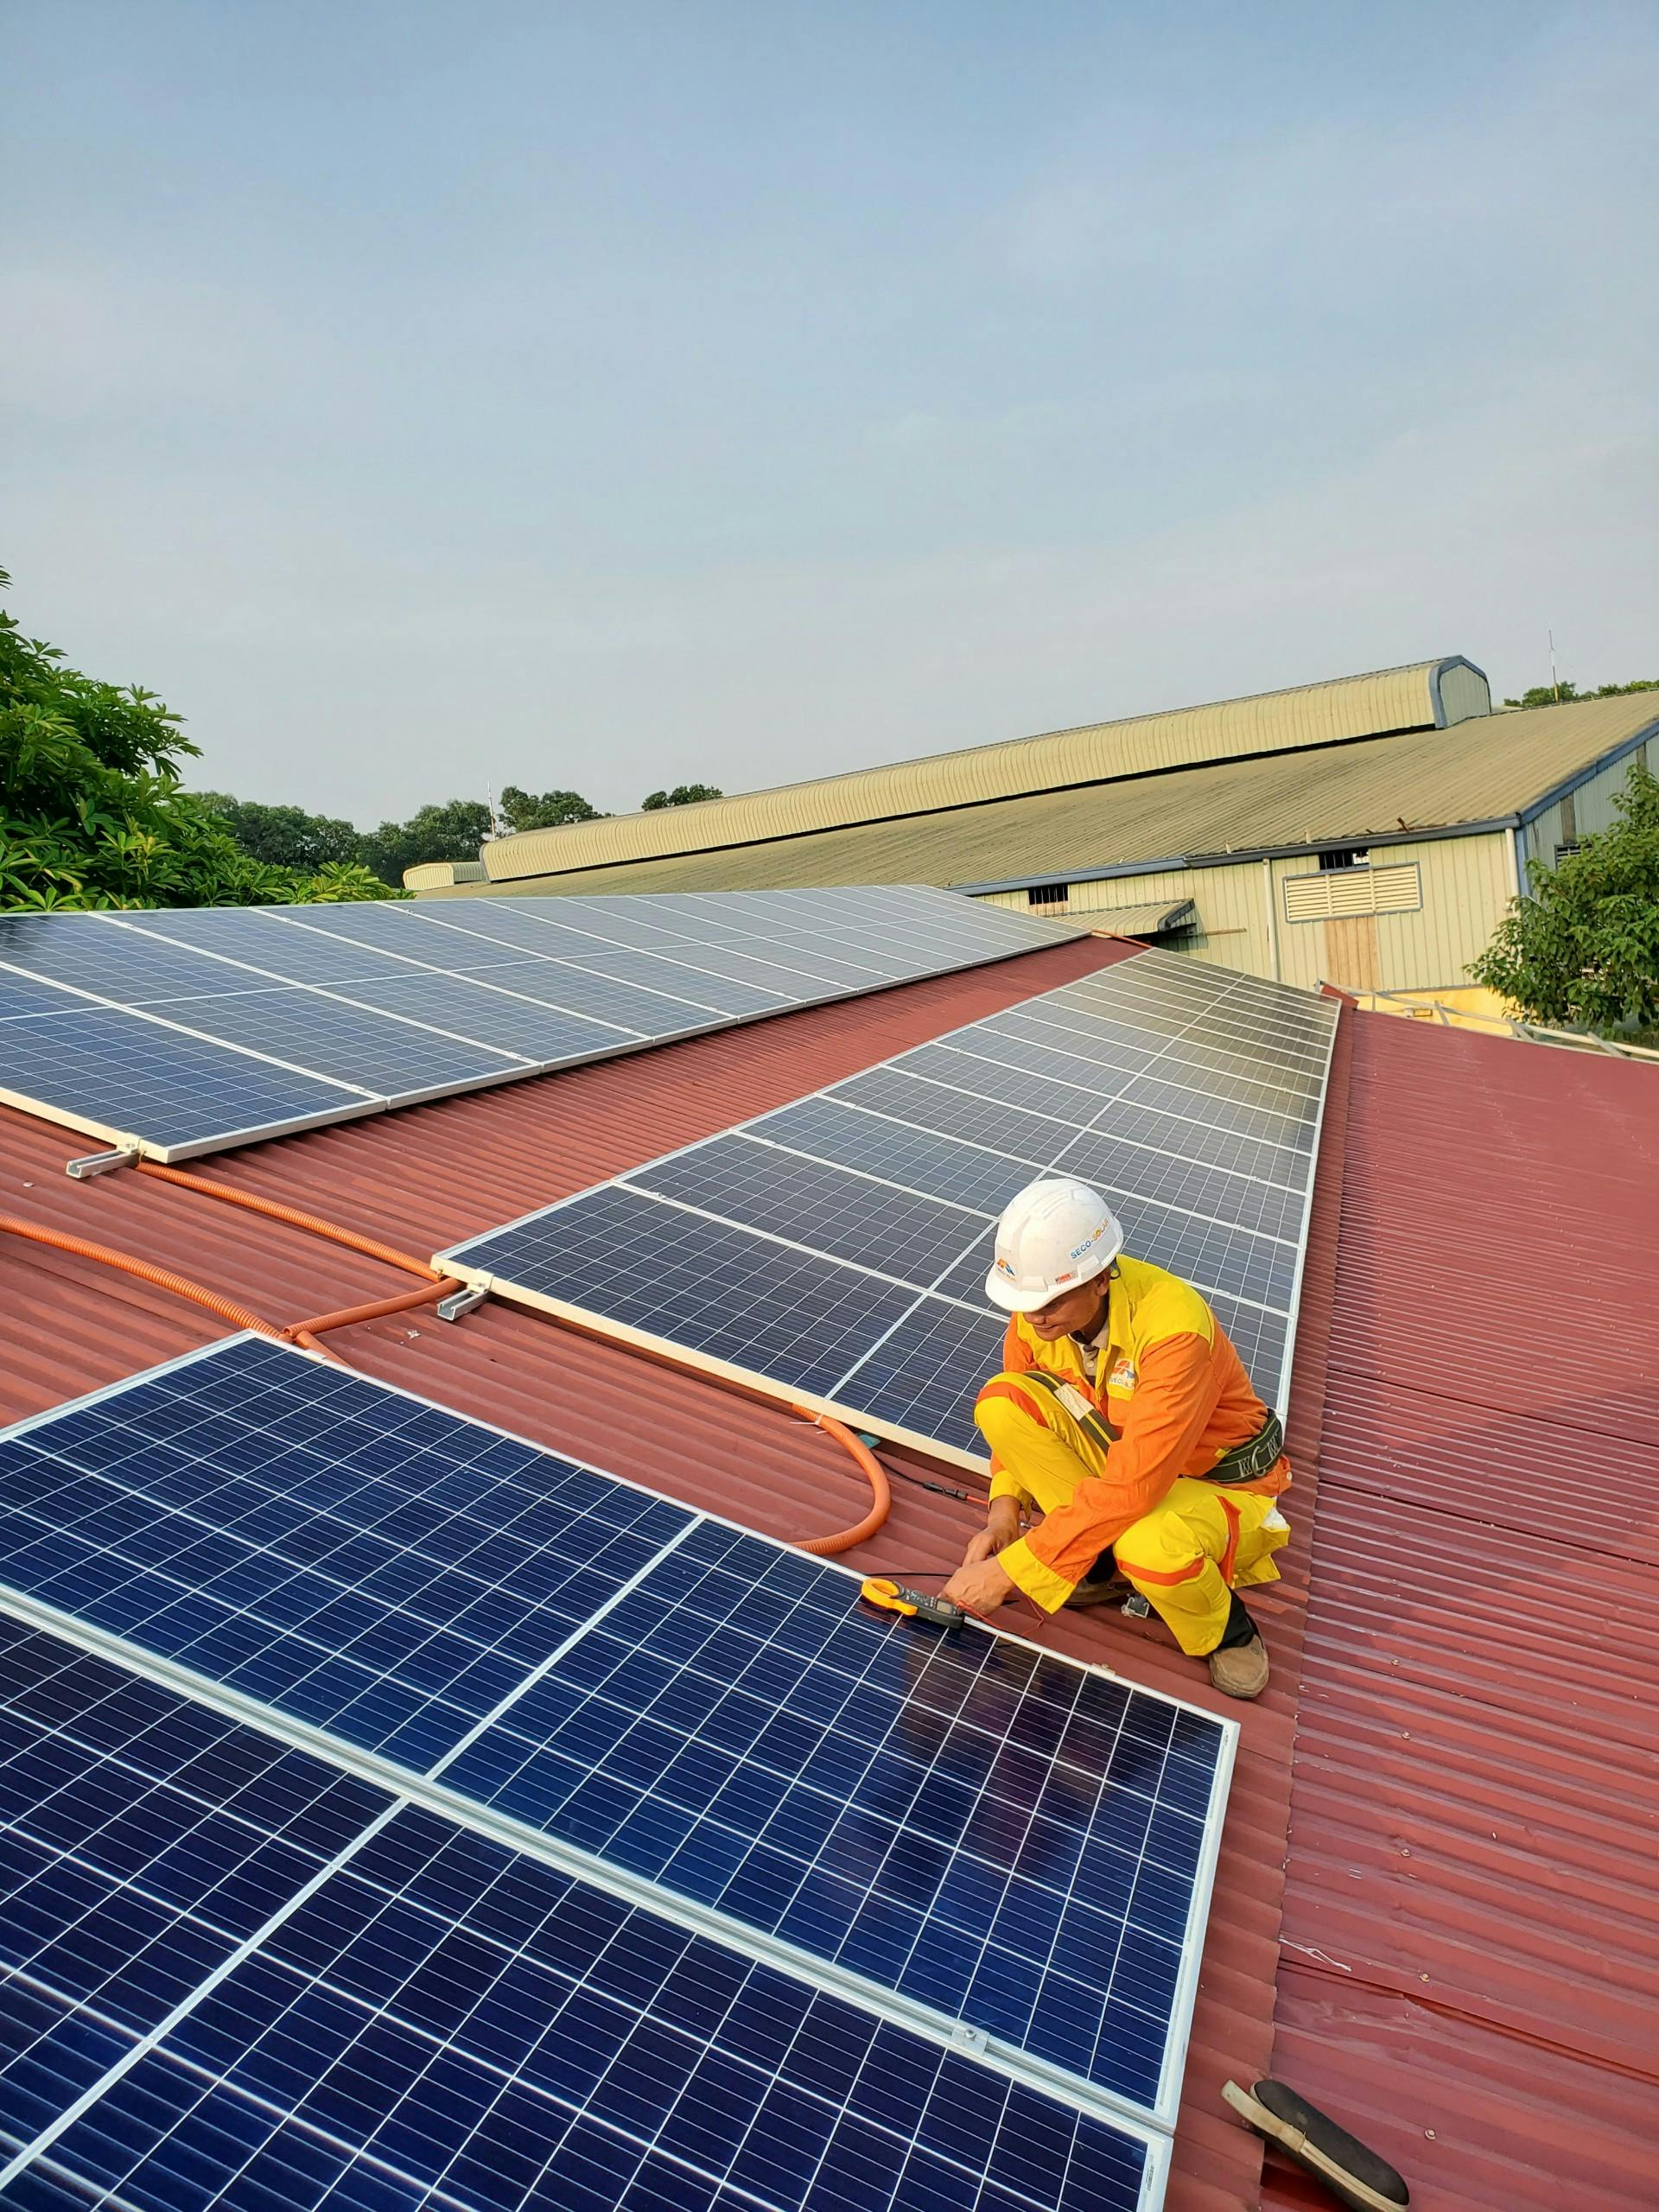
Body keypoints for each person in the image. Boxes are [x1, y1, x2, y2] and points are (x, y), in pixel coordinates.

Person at [940, 1177, 1292, 1699]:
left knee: (1148, 1543)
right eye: (1025, 1300)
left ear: (1101, 1278)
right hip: (1132, 1470)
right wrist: (1005, 1513)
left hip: (1219, 1488)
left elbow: (1136, 1485)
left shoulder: (1174, 1331)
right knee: (1002, 1400)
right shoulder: (1036, 1319)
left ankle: (1225, 1628)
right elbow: (1027, 1432)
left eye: (1050, 1302)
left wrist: (1012, 1572)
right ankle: (1098, 1565)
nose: (1033, 1316)